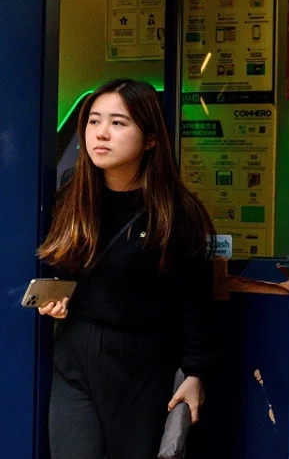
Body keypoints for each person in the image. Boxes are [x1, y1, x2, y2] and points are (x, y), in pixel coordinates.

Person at [37, 79, 215, 459]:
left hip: (143, 366)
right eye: (94, 121)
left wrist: (195, 373)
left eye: (118, 123)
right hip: (76, 359)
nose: (101, 133)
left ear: (150, 138)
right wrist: (56, 299)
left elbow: (194, 300)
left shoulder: (175, 211)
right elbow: (68, 265)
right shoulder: (73, 191)